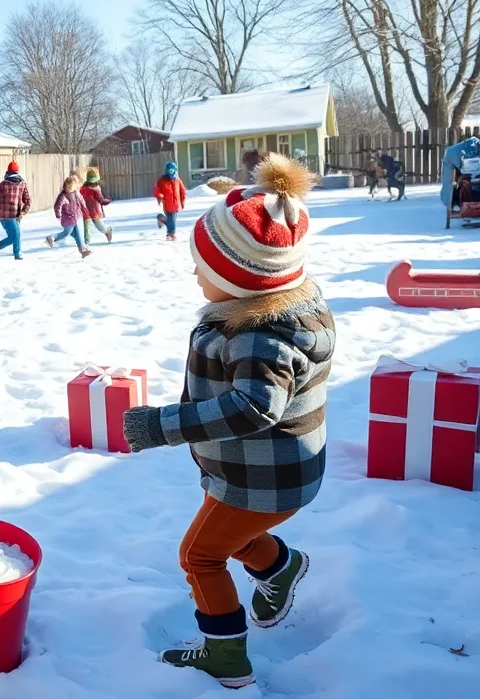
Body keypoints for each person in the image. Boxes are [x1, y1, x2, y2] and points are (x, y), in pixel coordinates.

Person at [122, 154, 335, 689]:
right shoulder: (261, 313)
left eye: (204, 265)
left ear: (241, 281)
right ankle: (281, 569)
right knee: (230, 539)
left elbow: (253, 407)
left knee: (199, 555)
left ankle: (225, 655)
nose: (194, 271)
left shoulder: (260, 336)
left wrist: (161, 426)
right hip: (255, 472)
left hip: (264, 478)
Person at [0, 160, 32, 259]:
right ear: (17, 171)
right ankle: (0, 248)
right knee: (15, 235)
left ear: (7, 172)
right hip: (14, 216)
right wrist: (23, 212)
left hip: (3, 216)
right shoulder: (22, 184)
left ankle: (16, 253)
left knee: (15, 235)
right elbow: (28, 201)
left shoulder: (3, 184)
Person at [46, 176, 91, 258]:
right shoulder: (63, 196)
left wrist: (85, 209)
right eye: (68, 187)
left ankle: (83, 251)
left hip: (78, 217)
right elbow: (57, 206)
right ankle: (51, 238)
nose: (69, 189)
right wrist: (58, 214)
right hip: (68, 218)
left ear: (75, 186)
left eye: (71, 187)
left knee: (79, 235)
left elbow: (82, 201)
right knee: (67, 232)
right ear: (65, 186)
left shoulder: (77, 193)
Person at [441, 137, 480, 208]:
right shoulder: (474, 144)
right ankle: (450, 202)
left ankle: (450, 202)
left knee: (448, 182)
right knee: (449, 182)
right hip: (454, 158)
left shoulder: (473, 142)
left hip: (450, 156)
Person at [80, 167, 114, 244]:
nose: (92, 184)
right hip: (85, 212)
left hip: (94, 212)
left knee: (100, 227)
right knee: (86, 228)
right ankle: (86, 243)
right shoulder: (82, 189)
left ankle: (107, 231)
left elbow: (101, 200)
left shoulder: (96, 190)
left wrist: (108, 200)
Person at [155, 161, 187, 240]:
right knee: (171, 220)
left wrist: (182, 202)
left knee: (171, 220)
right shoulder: (162, 180)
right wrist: (159, 196)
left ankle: (161, 219)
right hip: (166, 204)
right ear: (166, 170)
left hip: (176, 203)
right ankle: (171, 234)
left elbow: (182, 191)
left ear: (175, 170)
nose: (171, 172)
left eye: (173, 170)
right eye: (169, 170)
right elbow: (156, 190)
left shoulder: (177, 180)